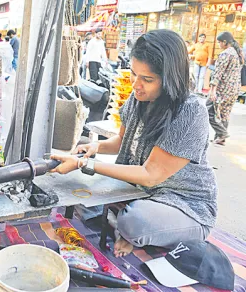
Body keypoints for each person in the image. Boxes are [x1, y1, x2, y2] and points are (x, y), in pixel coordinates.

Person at [51, 29, 216, 258]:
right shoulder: (138, 97)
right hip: (140, 192)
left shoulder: (190, 112)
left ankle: (132, 230)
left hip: (184, 204)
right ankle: (128, 228)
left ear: (170, 79)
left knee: (135, 222)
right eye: (133, 74)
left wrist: (84, 165)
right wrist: (95, 148)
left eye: (147, 79)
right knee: (77, 194)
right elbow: (122, 140)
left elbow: (151, 174)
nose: (136, 84)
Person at [207, 31, 243, 146]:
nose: (218, 44)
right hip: (234, 89)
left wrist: (212, 90)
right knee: (225, 113)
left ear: (224, 42)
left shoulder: (225, 54)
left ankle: (222, 133)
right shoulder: (238, 53)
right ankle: (220, 138)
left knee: (209, 110)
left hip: (223, 89)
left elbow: (218, 74)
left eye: (219, 42)